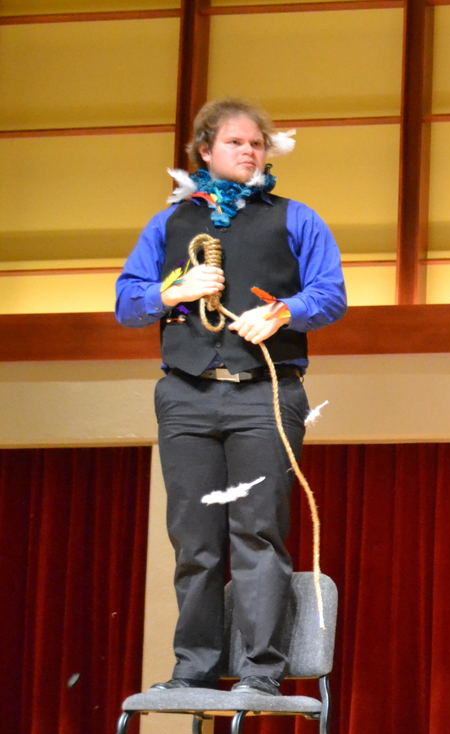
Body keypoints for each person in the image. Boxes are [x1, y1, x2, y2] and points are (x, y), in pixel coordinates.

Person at [115, 98, 346, 696]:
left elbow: (332, 294)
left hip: (265, 393)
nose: (250, 151)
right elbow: (126, 302)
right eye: (238, 143)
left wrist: (284, 312)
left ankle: (260, 670)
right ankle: (193, 666)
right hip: (186, 394)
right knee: (193, 539)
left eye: (258, 144)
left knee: (258, 533)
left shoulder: (297, 218)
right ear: (205, 151)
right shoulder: (167, 225)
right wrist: (175, 290)